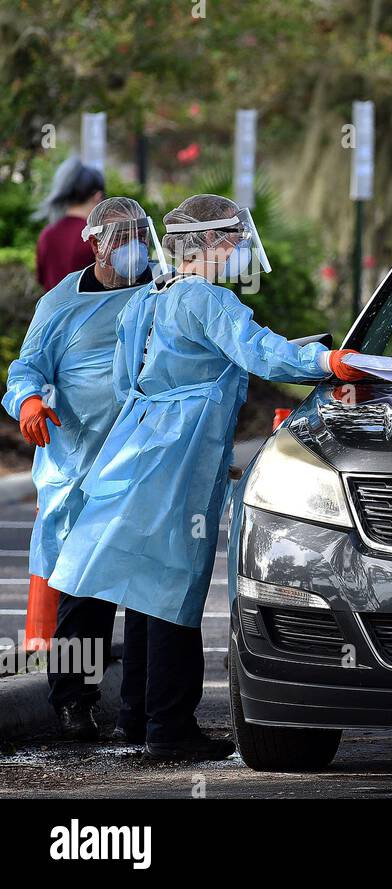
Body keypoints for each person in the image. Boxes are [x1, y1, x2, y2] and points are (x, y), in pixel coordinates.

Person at [49, 194, 376, 761]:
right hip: (181, 455)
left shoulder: (150, 298)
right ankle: (170, 730)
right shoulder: (208, 298)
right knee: (175, 588)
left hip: (136, 445)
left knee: (144, 584)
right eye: (232, 240)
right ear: (212, 244)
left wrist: (305, 353)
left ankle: (139, 718)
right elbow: (261, 355)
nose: (239, 249)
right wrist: (329, 364)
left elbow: (134, 376)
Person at [3, 197, 161, 741]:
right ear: (94, 243)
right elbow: (27, 367)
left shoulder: (161, 295)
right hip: (79, 466)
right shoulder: (60, 304)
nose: (132, 247)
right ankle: (73, 702)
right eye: (120, 237)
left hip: (144, 461)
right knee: (85, 591)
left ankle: (142, 710)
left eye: (140, 234)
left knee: (147, 587)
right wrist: (27, 402)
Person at [33, 157, 105, 291]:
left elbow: (42, 280)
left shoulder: (47, 234)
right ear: (97, 196)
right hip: (92, 311)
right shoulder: (97, 236)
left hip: (52, 311)